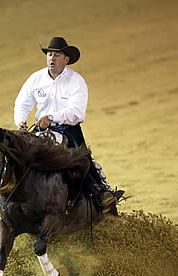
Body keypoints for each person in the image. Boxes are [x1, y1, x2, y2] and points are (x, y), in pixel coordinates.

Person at [14, 37, 124, 211]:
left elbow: (77, 112)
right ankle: (7, 199)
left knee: (82, 158)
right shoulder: (35, 79)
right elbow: (22, 103)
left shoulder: (76, 81)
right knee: (17, 157)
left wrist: (51, 116)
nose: (52, 58)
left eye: (57, 55)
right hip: (41, 129)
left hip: (68, 129)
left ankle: (99, 192)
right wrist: (21, 121)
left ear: (66, 59)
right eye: (49, 54)